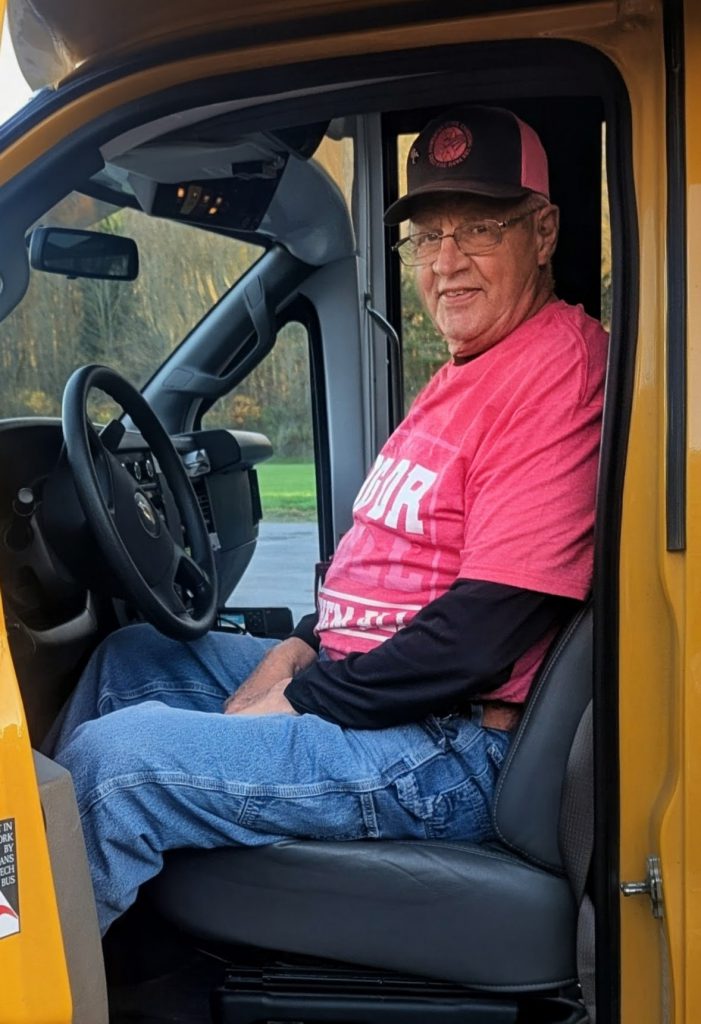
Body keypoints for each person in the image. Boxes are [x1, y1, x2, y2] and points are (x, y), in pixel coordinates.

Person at [49, 105, 608, 936]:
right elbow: (389, 563)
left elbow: (484, 629)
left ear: (543, 231)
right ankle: (90, 935)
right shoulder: (471, 367)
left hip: (444, 745)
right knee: (133, 658)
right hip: (381, 692)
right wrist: (298, 645)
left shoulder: (557, 368)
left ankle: (33, 984)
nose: (445, 263)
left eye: (480, 229)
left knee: (111, 767)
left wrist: (302, 696)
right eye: (427, 238)